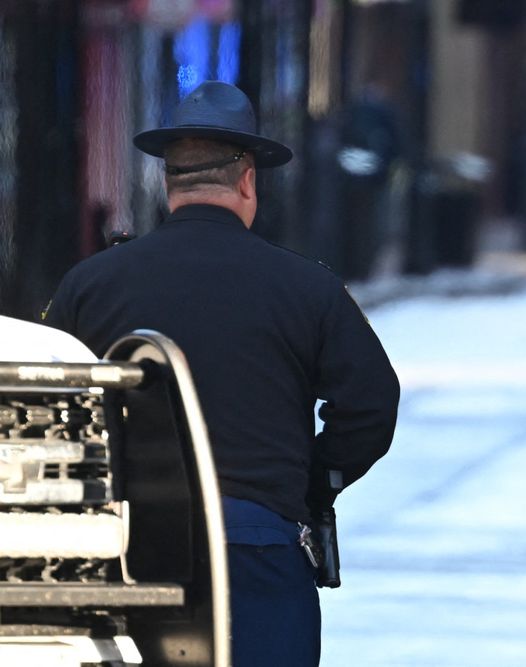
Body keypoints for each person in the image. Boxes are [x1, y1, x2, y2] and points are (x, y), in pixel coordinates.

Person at [43, 80, 400, 667]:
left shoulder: (92, 282)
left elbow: (55, 404)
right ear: (248, 180)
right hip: (254, 544)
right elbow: (370, 406)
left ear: (168, 182)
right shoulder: (307, 287)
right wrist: (310, 482)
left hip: (124, 545)